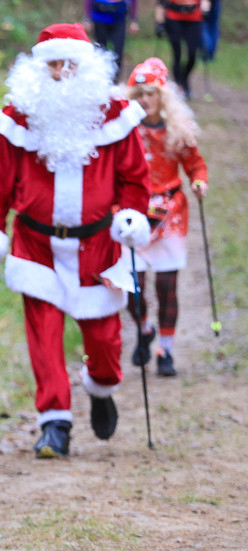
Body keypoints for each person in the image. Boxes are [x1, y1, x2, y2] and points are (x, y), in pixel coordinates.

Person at [0, 23, 151, 459]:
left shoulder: (115, 116)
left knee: (105, 341)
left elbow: (134, 178)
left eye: (71, 63)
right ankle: (54, 424)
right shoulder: (18, 118)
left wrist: (130, 214)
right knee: (45, 336)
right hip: (37, 245)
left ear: (87, 67)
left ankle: (102, 389)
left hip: (98, 247)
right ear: (40, 67)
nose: (62, 72)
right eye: (54, 63)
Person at [125, 57, 208, 376]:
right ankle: (145, 329)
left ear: (163, 97)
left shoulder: (178, 130)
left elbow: (195, 165)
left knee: (166, 285)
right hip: (134, 212)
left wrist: (199, 182)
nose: (145, 101)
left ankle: (166, 350)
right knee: (134, 284)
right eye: (139, 95)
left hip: (170, 212)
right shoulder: (127, 130)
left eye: (150, 94)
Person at [155, 0, 211, 98]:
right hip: (173, 17)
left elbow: (206, 2)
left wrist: (205, 7)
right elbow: (161, 3)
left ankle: (184, 79)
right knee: (177, 53)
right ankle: (178, 85)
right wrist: (159, 23)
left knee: (192, 54)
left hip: (193, 19)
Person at [83, 0, 139, 80]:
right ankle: (100, 78)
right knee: (100, 51)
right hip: (99, 18)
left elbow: (134, 2)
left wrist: (134, 20)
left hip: (119, 19)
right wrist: (87, 18)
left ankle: (115, 81)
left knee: (118, 52)